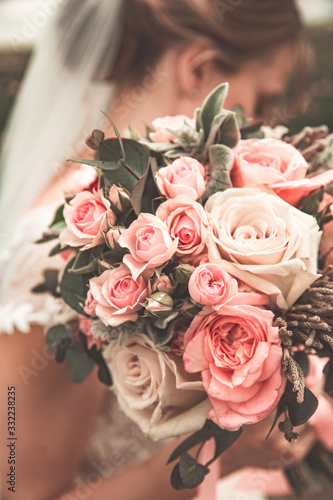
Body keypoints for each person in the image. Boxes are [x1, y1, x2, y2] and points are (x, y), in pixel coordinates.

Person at [0, 1, 318, 499]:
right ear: (198, 69)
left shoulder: (199, 221)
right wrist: (219, 453)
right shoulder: (61, 247)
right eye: (260, 98)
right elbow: (17, 489)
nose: (258, 124)